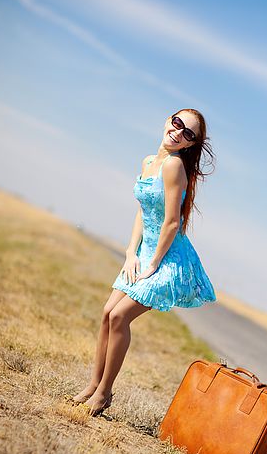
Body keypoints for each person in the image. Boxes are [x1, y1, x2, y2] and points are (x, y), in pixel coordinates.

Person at [68, 108, 217, 415]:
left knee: (121, 317)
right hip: (143, 253)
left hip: (168, 257)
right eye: (177, 123)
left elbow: (172, 223)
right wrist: (130, 254)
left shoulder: (175, 166)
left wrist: (153, 264)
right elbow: (143, 211)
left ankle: (105, 392)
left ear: (190, 144)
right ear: (168, 121)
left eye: (188, 133)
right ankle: (94, 384)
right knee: (107, 313)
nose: (178, 132)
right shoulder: (149, 162)